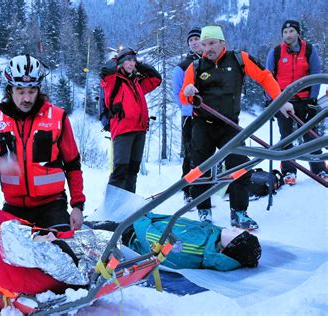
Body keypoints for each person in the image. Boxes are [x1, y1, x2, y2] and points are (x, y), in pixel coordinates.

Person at [180, 25, 294, 229]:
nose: (208, 48)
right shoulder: (195, 67)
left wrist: (281, 100)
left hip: (229, 125)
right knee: (199, 170)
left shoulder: (239, 59)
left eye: (212, 43)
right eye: (204, 44)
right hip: (203, 125)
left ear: (223, 42)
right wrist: (188, 91)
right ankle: (204, 212)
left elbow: (265, 77)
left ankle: (239, 213)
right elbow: (184, 97)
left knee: (240, 167)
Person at [0, 54, 85, 231]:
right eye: (20, 91)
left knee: (60, 251)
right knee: (5, 256)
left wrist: (78, 206)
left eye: (32, 91)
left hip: (52, 205)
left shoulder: (58, 117)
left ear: (39, 90)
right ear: (10, 90)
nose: (26, 98)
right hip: (14, 208)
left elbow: (73, 165)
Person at [266, 20, 326, 185]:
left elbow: (316, 73)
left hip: (305, 100)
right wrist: (270, 100)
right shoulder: (276, 52)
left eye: (291, 31)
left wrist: (313, 99)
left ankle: (319, 168)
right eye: (285, 32)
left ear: (298, 33)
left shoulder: (309, 50)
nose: (288, 35)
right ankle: (289, 171)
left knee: (311, 136)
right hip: (283, 102)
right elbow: (268, 77)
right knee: (286, 137)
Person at [100, 47, 162, 193]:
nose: (131, 63)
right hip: (123, 130)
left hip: (139, 130)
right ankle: (112, 208)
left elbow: (156, 78)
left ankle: (128, 206)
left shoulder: (137, 82)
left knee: (133, 171)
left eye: (133, 60)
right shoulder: (113, 80)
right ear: (120, 63)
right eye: (128, 60)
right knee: (120, 171)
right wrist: (117, 59)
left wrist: (139, 64)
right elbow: (105, 70)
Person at [124, 212, 262, 270]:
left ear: (229, 248)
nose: (235, 229)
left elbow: (151, 238)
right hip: (145, 221)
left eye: (236, 234)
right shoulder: (215, 235)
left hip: (131, 235)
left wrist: (141, 216)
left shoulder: (194, 248)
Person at [172, 27, 203, 203]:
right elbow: (177, 92)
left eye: (196, 39)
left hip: (209, 114)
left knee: (205, 152)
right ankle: (188, 190)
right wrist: (187, 109)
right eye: (190, 40)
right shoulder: (182, 66)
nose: (194, 42)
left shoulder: (210, 61)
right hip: (190, 115)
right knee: (190, 152)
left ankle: (204, 188)